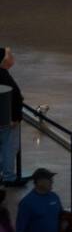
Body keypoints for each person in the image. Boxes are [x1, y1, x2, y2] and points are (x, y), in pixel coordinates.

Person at [0, 47, 23, 185]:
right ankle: (8, 176)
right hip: (6, 119)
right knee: (9, 147)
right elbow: (15, 96)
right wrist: (15, 117)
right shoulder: (3, 75)